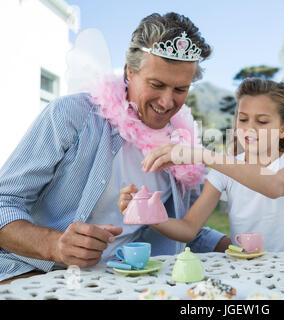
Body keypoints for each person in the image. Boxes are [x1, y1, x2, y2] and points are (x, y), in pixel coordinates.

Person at [0, 12, 231, 282]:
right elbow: (5, 203)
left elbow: (187, 227)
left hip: (127, 280)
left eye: (180, 89)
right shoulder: (70, 115)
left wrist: (239, 248)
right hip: (38, 271)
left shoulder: (182, 147)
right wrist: (55, 245)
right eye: (156, 85)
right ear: (129, 72)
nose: (167, 102)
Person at [119, 78, 284, 252]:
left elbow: (276, 186)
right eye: (243, 119)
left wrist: (203, 155)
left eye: (262, 121)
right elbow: (188, 228)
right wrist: (145, 213)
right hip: (245, 271)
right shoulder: (225, 169)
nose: (249, 129)